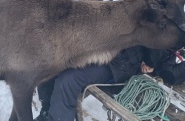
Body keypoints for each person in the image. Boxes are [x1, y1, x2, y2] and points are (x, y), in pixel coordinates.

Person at [34, 45, 185, 121]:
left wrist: (151, 66)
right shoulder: (166, 7)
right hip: (104, 47)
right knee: (53, 65)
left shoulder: (177, 33)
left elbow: (171, 74)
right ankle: (47, 113)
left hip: (118, 66)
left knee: (69, 80)